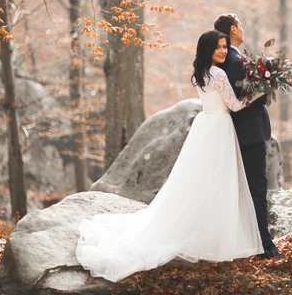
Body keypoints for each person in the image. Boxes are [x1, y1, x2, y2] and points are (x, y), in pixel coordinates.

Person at [75, 30, 265, 283]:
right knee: (219, 181)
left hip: (206, 125)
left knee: (201, 181)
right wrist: (260, 91)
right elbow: (234, 105)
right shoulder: (218, 74)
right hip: (218, 127)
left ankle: (204, 231)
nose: (222, 51)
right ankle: (216, 238)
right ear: (208, 49)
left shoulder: (201, 73)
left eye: (224, 46)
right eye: (218, 47)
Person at [214, 13, 282, 260]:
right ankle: (264, 246)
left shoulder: (230, 57)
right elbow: (243, 95)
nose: (243, 30)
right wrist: (266, 88)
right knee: (257, 188)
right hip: (249, 132)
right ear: (233, 29)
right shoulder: (233, 60)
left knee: (248, 188)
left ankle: (252, 241)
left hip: (242, 131)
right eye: (240, 26)